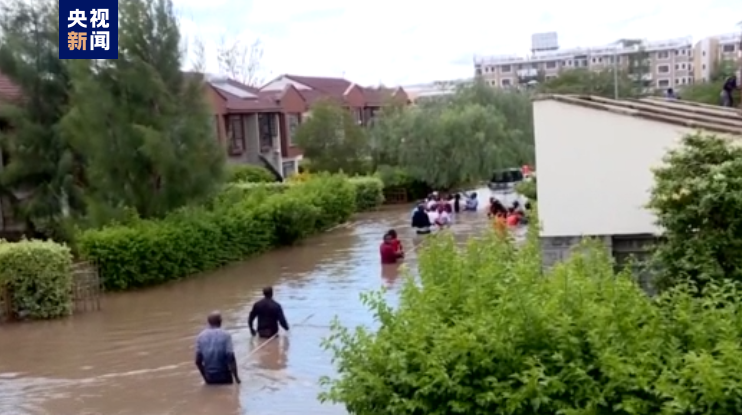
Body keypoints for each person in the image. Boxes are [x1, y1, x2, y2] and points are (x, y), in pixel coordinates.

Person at [195, 311, 241, 385]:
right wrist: (236, 378)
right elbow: (231, 357)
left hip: (209, 376)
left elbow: (198, 361)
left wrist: (205, 377)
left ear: (208, 322)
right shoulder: (226, 335)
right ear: (220, 321)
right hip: (224, 375)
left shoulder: (200, 336)